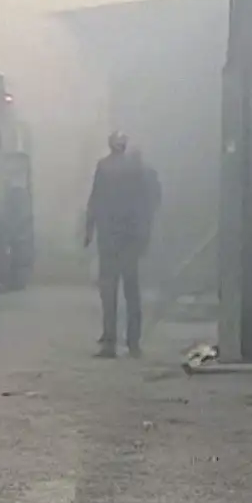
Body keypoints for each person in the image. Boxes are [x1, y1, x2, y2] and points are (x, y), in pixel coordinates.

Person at [84, 130, 159, 359]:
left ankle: (109, 342)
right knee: (131, 289)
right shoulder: (137, 170)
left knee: (109, 291)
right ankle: (133, 342)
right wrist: (144, 234)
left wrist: (89, 232)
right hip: (130, 239)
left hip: (109, 238)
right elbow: (145, 203)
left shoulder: (103, 168)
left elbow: (95, 200)